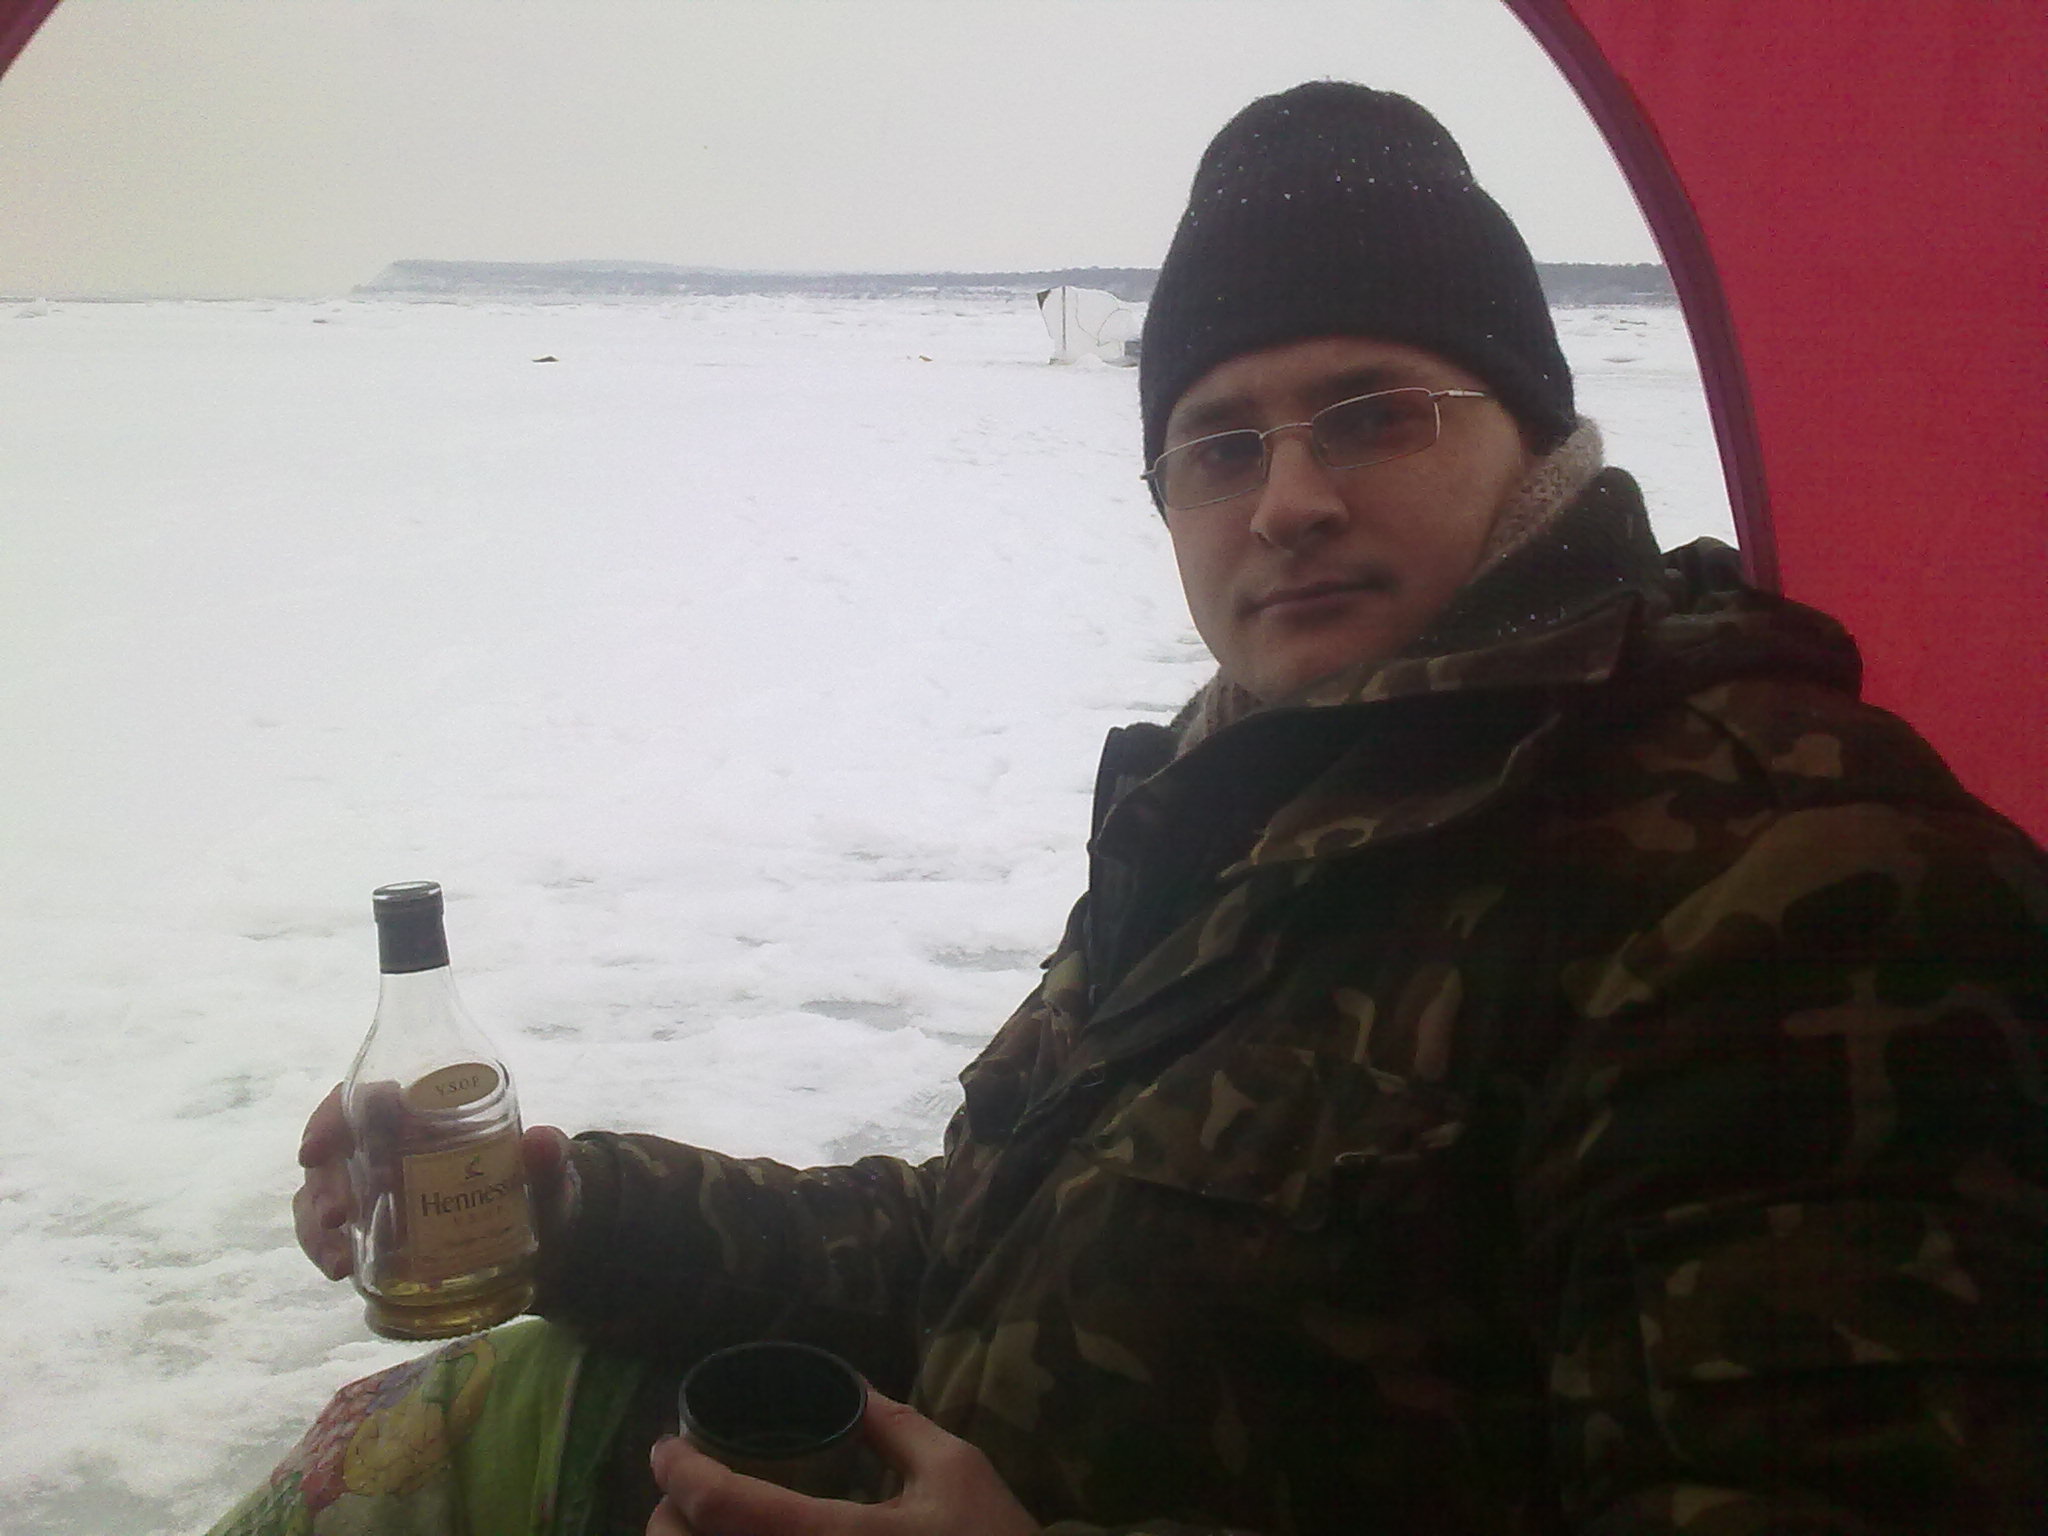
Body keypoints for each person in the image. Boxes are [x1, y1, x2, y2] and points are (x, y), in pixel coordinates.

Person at [214, 83, 2048, 1536]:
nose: (1289, 499)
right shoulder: (1240, 798)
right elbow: (976, 1240)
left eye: (1373, 413)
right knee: (416, 1443)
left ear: (1537, 444)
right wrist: (580, 1215)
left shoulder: (1794, 890)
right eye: (1220, 445)